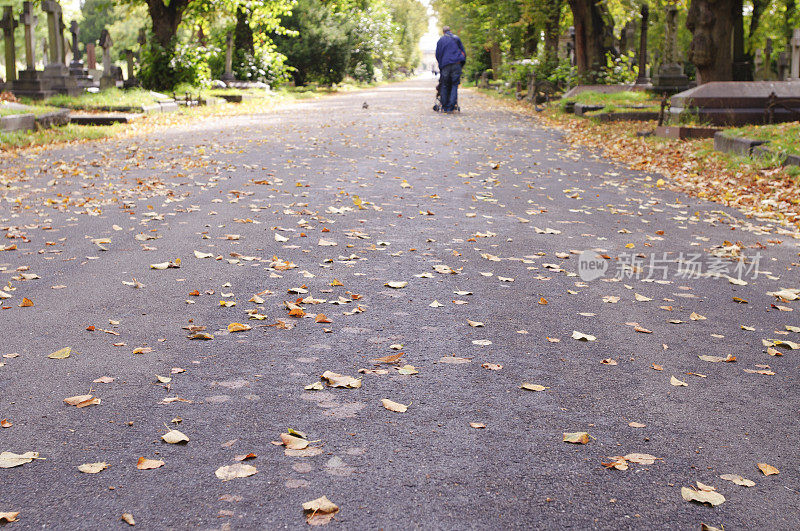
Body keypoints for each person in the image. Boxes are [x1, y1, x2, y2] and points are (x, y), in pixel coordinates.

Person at [435, 26, 466, 113]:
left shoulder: (440, 41)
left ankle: (445, 106)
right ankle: (452, 106)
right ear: (450, 31)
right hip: (456, 64)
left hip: (445, 65)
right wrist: (461, 64)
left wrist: (441, 65)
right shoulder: (456, 38)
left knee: (445, 85)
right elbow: (463, 52)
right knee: (454, 85)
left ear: (443, 32)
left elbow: (438, 54)